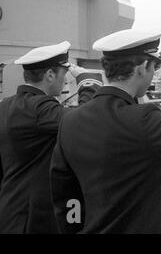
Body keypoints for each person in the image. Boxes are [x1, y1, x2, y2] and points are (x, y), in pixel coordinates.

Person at [49, 29, 161, 234]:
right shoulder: (144, 120)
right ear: (143, 67)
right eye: (153, 67)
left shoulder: (70, 120)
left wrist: (72, 230)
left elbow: (65, 192)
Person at [0, 42, 102, 234]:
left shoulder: (6, 105)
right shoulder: (39, 108)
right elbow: (85, 121)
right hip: (33, 219)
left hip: (11, 209)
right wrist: (88, 83)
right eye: (63, 74)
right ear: (49, 75)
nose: (65, 80)